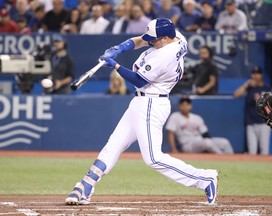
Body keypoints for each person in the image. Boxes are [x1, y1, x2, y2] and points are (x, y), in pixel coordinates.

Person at [65, 18, 218, 206]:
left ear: (163, 38)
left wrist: (115, 65)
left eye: (154, 39)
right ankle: (86, 185)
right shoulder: (177, 37)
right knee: (114, 144)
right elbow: (140, 40)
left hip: (151, 103)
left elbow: (138, 80)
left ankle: (204, 179)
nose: (150, 41)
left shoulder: (164, 56)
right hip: (141, 101)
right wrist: (120, 48)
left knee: (153, 158)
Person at [166, 98, 234, 154]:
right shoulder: (175, 116)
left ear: (190, 106)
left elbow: (205, 134)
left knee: (225, 142)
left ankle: (233, 161)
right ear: (179, 106)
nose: (185, 107)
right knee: (207, 142)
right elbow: (170, 133)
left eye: (187, 105)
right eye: (183, 105)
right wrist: (173, 148)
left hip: (201, 141)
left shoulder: (197, 118)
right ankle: (222, 158)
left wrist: (211, 144)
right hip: (187, 145)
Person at [234, 66, 272, 155]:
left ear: (261, 75)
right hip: (251, 122)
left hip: (264, 123)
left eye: (257, 73)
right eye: (254, 74)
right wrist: (246, 85)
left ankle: (265, 168)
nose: (255, 76)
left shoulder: (268, 89)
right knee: (252, 150)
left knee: (264, 150)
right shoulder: (249, 88)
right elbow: (236, 94)